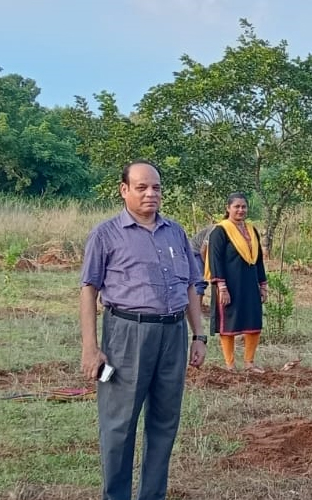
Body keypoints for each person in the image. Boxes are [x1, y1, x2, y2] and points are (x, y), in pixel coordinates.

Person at [79, 160, 207, 500]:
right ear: (124, 190)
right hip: (126, 335)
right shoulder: (106, 234)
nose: (151, 194)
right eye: (142, 187)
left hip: (173, 335)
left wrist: (199, 335)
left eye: (156, 187)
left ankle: (153, 494)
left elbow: (193, 286)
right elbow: (88, 289)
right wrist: (90, 348)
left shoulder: (176, 232)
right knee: (119, 425)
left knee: (164, 422)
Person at [204, 192, 269, 372]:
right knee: (229, 324)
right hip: (229, 284)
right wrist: (222, 287)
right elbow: (215, 259)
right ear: (228, 208)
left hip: (249, 282)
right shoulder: (220, 231)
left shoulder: (251, 229)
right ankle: (230, 365)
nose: (241, 210)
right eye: (237, 207)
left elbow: (258, 260)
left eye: (244, 207)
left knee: (253, 321)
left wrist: (263, 284)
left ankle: (249, 363)